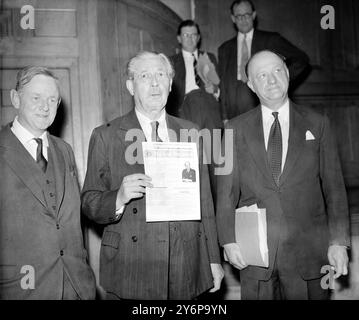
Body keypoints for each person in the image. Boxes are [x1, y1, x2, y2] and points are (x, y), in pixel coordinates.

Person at [81, 51, 224, 300]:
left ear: (170, 84)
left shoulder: (192, 132)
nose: (155, 83)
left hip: (185, 263)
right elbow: (89, 202)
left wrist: (213, 259)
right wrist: (118, 197)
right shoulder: (106, 135)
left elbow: (205, 203)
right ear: (130, 86)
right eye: (145, 76)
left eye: (161, 75)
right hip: (132, 265)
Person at [216, 50, 350, 299]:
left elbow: (335, 189)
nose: (271, 80)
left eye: (277, 70)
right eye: (261, 75)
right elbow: (226, 192)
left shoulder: (319, 124)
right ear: (251, 85)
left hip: (310, 254)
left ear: (288, 73)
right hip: (255, 256)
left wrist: (338, 241)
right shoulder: (234, 129)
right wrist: (228, 240)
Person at [0, 66, 96, 299]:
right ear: (15, 99)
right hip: (19, 289)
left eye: (52, 99)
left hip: (75, 287)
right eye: (36, 98)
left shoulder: (64, 150)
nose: (45, 106)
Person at [218, 0, 309, 121]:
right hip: (235, 113)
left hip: (263, 108)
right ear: (233, 18)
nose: (243, 19)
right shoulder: (225, 48)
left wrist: (281, 79)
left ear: (254, 15)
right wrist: (224, 117)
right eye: (238, 16)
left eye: (247, 15)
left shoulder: (271, 40)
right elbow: (223, 86)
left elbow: (301, 59)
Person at [168, 20, 223, 199]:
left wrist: (214, 90)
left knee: (213, 162)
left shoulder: (210, 58)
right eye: (186, 35)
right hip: (185, 111)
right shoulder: (171, 61)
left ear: (198, 38)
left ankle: (214, 202)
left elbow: (220, 89)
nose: (190, 38)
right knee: (191, 163)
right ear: (179, 38)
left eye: (193, 35)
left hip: (209, 110)